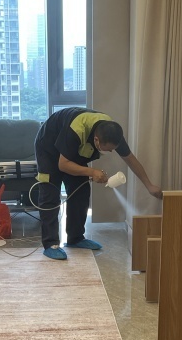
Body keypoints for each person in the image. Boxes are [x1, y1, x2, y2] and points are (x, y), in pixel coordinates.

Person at [33, 108, 163, 260]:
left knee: (81, 192)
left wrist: (149, 185)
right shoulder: (77, 129)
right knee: (50, 193)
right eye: (107, 149)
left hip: (72, 150)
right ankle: (50, 244)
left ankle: (76, 238)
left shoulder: (112, 133)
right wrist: (92, 172)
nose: (111, 152)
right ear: (96, 140)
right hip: (48, 147)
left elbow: (131, 160)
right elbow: (63, 165)